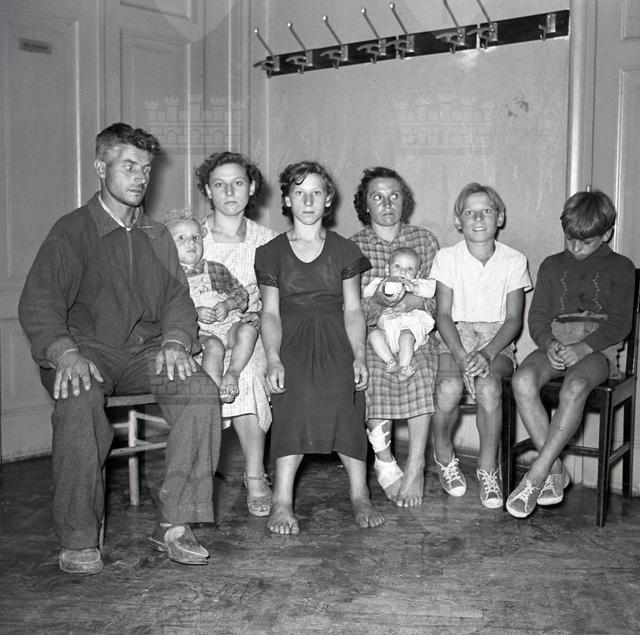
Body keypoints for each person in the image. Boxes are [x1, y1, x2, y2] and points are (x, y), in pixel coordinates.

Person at [18, 123, 220, 574]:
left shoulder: (157, 235)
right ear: (100, 167)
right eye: (129, 166)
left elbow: (177, 300)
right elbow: (39, 303)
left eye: (145, 169)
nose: (140, 177)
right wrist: (65, 353)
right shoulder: (71, 231)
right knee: (78, 398)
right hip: (85, 351)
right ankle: (78, 537)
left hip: (146, 351)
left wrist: (176, 341)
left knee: (200, 392)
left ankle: (176, 524)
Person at [256, 160, 385, 535]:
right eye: (299, 193)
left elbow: (354, 310)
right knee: (292, 400)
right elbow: (270, 313)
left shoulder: (345, 250)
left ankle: (360, 494)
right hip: (291, 337)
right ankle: (282, 500)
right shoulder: (270, 252)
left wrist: (359, 355)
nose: (308, 200)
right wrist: (273, 358)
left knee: (346, 400)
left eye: (316, 192)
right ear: (287, 199)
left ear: (328, 199)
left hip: (335, 337)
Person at [506, 188, 635, 518]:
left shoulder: (621, 267)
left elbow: (620, 324)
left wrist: (583, 347)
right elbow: (537, 317)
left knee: (575, 386)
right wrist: (548, 343)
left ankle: (537, 474)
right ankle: (556, 471)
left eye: (586, 242)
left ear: (606, 234)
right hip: (555, 343)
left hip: (597, 350)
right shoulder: (551, 265)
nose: (576, 247)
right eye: (570, 239)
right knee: (522, 380)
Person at [429, 183, 531, 509]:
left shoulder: (514, 260)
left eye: (485, 211)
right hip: (455, 337)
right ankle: (443, 453)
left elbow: (513, 320)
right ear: (458, 220)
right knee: (448, 389)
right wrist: (461, 357)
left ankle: (488, 468)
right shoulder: (447, 258)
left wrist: (486, 354)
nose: (477, 218)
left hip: (495, 341)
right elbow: (443, 315)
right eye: (469, 212)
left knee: (488, 389)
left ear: (499, 217)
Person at [351, 167, 439, 507]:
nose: (387, 203)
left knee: (420, 370)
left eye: (394, 196)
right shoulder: (354, 246)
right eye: (377, 197)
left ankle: (416, 466)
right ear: (365, 205)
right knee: (372, 371)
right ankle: (385, 461)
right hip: (375, 329)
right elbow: (352, 307)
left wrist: (413, 301)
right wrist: (378, 302)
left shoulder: (424, 240)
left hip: (415, 329)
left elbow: (436, 296)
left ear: (405, 201)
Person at [195, 151, 275, 517]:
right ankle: (194, 476)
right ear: (207, 191)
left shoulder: (267, 240)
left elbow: (275, 302)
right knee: (198, 372)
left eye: (238, 183)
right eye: (219, 184)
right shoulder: (190, 236)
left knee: (250, 371)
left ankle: (255, 475)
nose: (229, 192)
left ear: (252, 187)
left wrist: (256, 317)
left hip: (247, 333)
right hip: (198, 333)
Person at [165, 209, 257, 404]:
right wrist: (193, 313)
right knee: (214, 346)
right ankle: (213, 395)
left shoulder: (216, 269)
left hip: (227, 327)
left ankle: (232, 373)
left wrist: (227, 304)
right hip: (199, 333)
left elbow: (242, 294)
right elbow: (165, 311)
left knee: (249, 331)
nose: (191, 242)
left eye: (196, 237)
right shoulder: (169, 277)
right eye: (181, 238)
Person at [363, 247, 436, 381]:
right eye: (397, 266)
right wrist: (381, 290)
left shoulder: (416, 283)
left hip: (408, 328)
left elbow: (431, 290)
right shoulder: (381, 282)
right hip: (386, 331)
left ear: (417, 274)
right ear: (387, 269)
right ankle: (391, 361)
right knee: (373, 335)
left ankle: (403, 367)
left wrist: (414, 288)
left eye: (410, 269)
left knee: (406, 337)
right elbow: (366, 293)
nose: (403, 271)